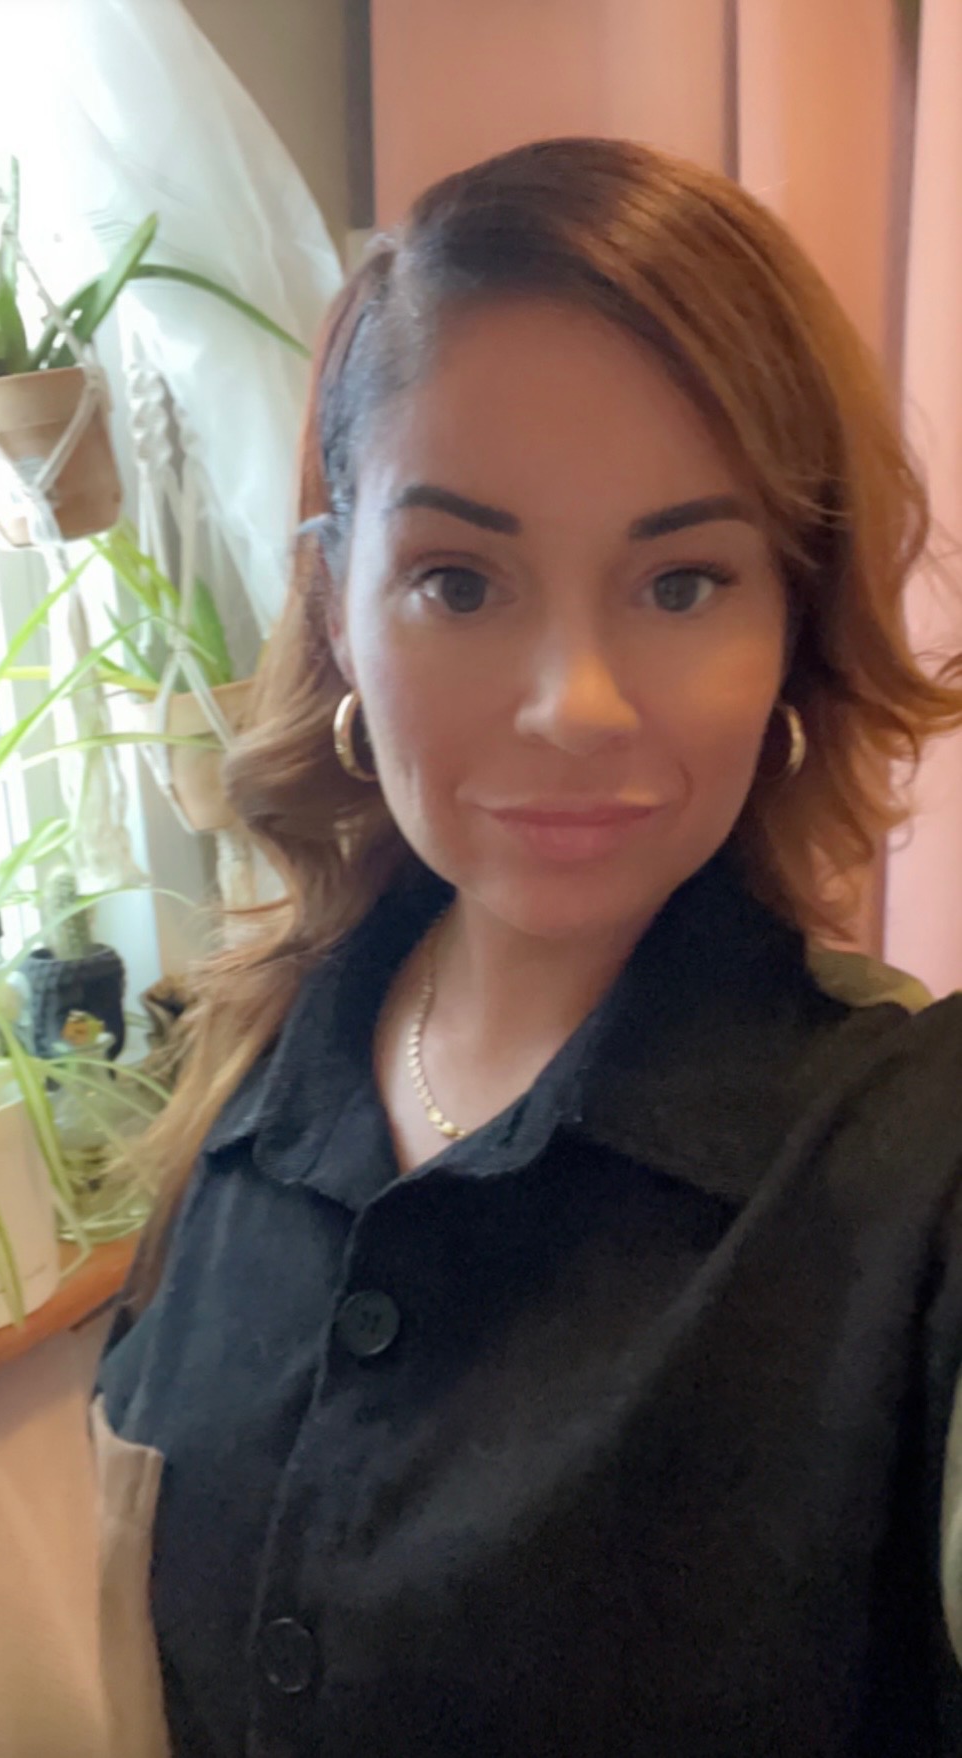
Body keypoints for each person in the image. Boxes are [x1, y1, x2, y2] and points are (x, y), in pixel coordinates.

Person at [91, 136, 962, 1757]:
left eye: (681, 582)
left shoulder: (906, 1157)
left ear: (792, 622)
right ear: (336, 603)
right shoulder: (249, 1075)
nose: (575, 703)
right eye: (458, 580)